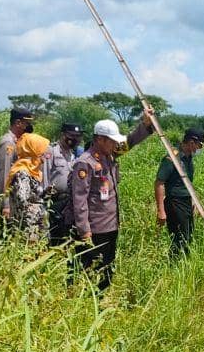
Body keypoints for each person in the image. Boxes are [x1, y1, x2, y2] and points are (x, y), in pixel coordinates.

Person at [66, 112, 155, 291]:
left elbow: (130, 142)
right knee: (86, 270)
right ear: (100, 139)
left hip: (110, 226)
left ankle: (101, 302)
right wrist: (84, 231)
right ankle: (80, 304)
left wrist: (145, 125)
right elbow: (79, 199)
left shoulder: (110, 155)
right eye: (112, 140)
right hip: (93, 228)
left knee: (106, 269)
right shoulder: (85, 163)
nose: (116, 144)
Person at [155, 128, 204, 258]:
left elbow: (189, 183)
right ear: (191, 142)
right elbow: (159, 183)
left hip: (186, 202)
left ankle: (184, 264)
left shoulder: (188, 158)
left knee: (188, 235)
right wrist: (161, 210)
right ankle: (174, 265)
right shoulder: (172, 157)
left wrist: (193, 201)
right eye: (199, 145)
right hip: (175, 202)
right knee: (179, 237)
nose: (200, 148)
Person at [6, 133, 51, 244]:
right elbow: (22, 202)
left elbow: (31, 196)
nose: (45, 154)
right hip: (28, 231)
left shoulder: (33, 171)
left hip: (35, 227)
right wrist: (39, 208)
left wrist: (44, 194)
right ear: (34, 150)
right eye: (42, 151)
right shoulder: (22, 173)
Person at [0, 108, 35, 239]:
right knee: (7, 239)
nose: (29, 126)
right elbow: (5, 175)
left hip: (17, 200)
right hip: (10, 201)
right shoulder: (8, 143)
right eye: (26, 123)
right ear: (18, 123)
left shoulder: (19, 142)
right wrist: (5, 204)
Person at [44, 122, 83, 246]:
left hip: (68, 202)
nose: (74, 139)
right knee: (53, 236)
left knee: (66, 236)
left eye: (77, 136)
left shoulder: (73, 155)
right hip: (53, 201)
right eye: (71, 135)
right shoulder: (51, 151)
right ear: (63, 135)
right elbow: (45, 175)